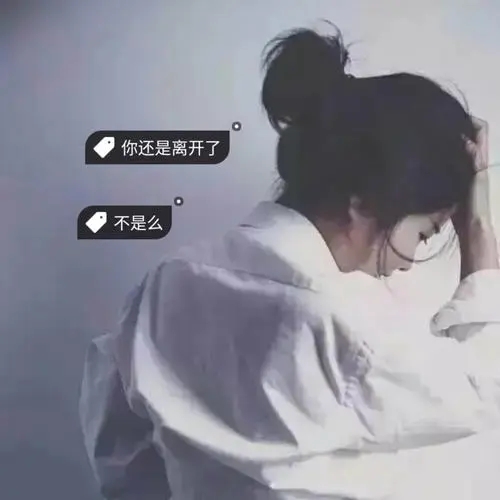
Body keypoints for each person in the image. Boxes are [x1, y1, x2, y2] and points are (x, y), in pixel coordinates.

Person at [79, 23, 500, 500]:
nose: (407, 263)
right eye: (423, 233)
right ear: (363, 203)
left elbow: (119, 449)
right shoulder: (338, 326)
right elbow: (484, 384)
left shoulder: (166, 283)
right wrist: (478, 235)